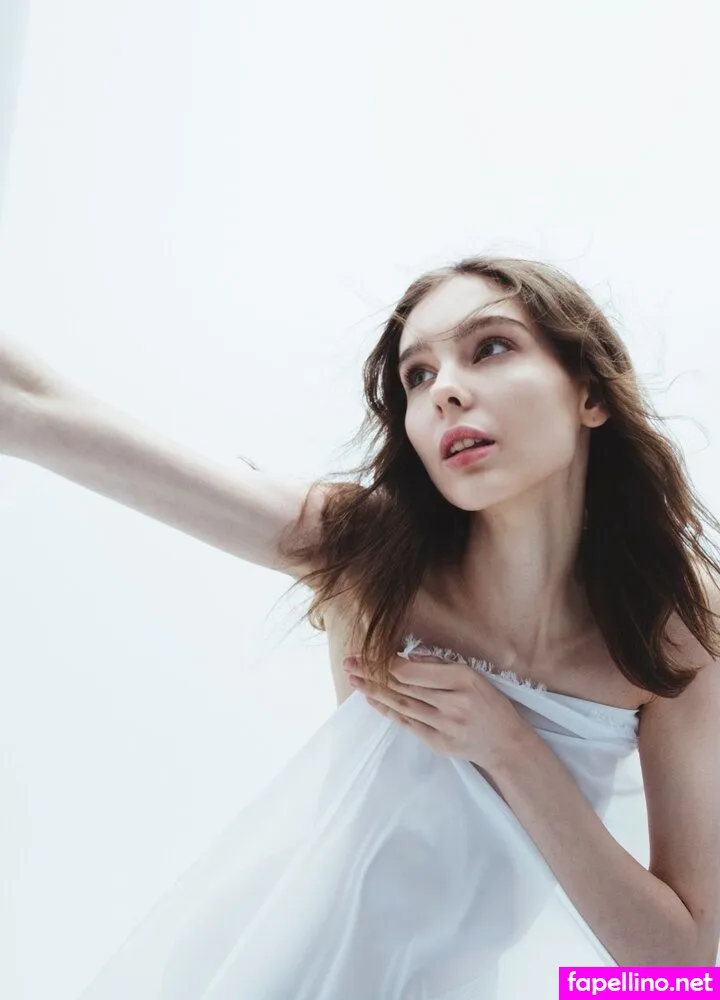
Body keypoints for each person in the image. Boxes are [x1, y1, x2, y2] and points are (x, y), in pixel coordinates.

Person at [2, 255, 719, 998]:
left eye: (490, 347)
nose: (444, 390)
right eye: (417, 376)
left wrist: (510, 749)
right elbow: (33, 407)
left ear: (590, 394)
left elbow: (683, 971)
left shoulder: (672, 626)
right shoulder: (365, 553)